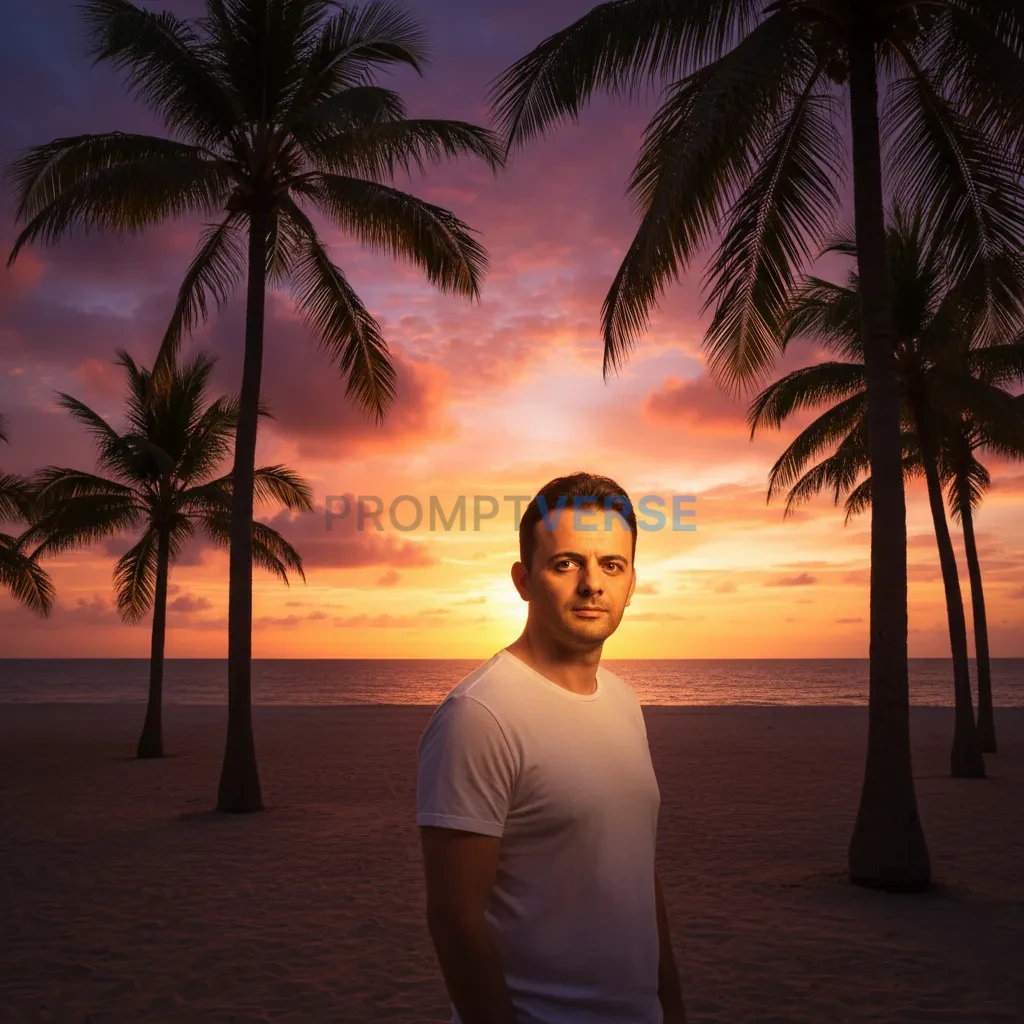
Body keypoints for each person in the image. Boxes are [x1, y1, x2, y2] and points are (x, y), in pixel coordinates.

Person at [416, 471, 687, 1024]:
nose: (592, 583)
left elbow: (635, 873)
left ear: (632, 583)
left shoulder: (624, 702)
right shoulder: (481, 714)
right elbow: (454, 921)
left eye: (612, 565)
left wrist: (672, 1008)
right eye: (566, 563)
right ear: (523, 579)